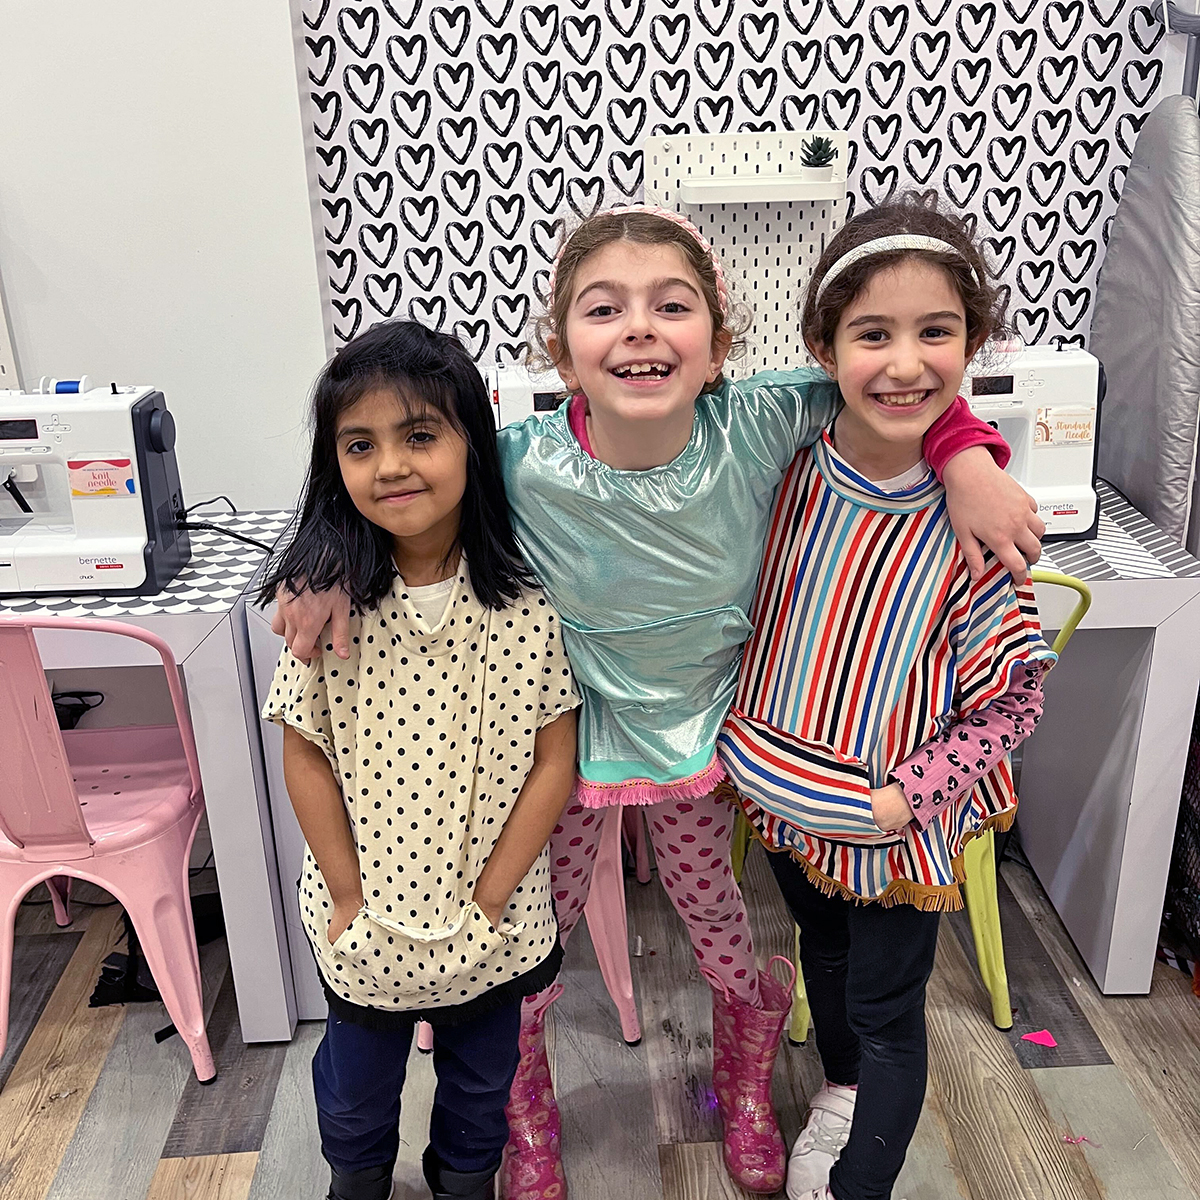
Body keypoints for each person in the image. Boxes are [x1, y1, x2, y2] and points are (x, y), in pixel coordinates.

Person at [274, 205, 1044, 1199]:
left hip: (705, 746)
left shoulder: (762, 419)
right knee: (531, 945)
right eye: (606, 309)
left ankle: (744, 1080)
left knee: (721, 927)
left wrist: (968, 458)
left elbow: (897, 379)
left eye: (670, 306)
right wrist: (323, 566)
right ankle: (527, 1112)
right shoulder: (518, 462)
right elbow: (402, 491)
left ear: (719, 344)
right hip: (564, 754)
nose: (639, 327)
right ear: (560, 350)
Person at [716, 193, 1057, 1200]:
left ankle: (863, 1179)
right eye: (874, 333)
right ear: (825, 345)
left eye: (935, 332)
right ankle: (841, 1092)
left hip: (891, 823)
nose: (906, 363)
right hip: (786, 796)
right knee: (821, 947)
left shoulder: (974, 528)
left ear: (974, 340)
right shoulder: (787, 467)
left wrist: (906, 799)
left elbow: (1011, 702)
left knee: (888, 1006)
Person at [259, 321, 581, 1200]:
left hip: (494, 924)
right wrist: (352, 896)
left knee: (482, 1087)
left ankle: (465, 1181)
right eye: (361, 445)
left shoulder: (527, 600)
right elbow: (305, 752)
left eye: (421, 435)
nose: (391, 464)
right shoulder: (330, 605)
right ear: (336, 464)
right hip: (367, 924)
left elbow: (556, 758)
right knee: (358, 1091)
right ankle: (356, 1181)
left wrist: (489, 897)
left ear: (472, 443)